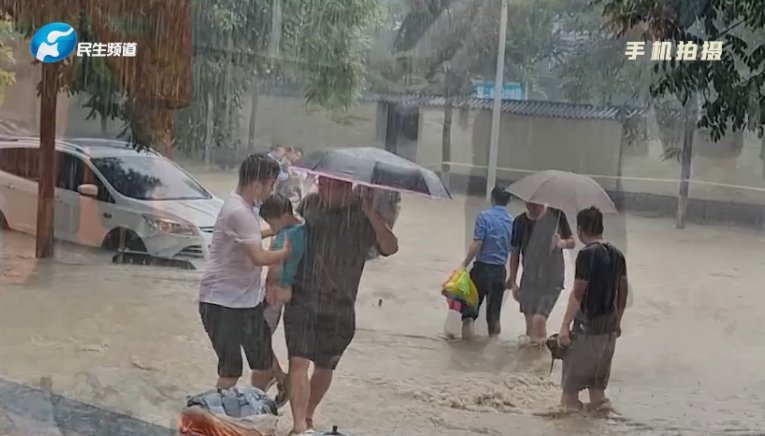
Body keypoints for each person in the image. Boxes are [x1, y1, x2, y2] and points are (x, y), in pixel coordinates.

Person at [284, 176, 398, 435]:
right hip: (303, 297)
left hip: (341, 304)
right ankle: (299, 425)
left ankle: (309, 414)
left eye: (328, 185)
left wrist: (371, 213)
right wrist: (278, 278)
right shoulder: (310, 204)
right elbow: (289, 235)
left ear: (346, 187)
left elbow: (390, 247)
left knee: (325, 366)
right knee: (298, 361)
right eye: (320, 182)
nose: (321, 188)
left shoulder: (362, 215)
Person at [198, 154, 291, 390]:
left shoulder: (244, 205)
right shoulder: (239, 211)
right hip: (221, 303)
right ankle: (218, 420)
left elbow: (246, 239)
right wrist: (285, 252)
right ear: (258, 184)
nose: (272, 191)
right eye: (271, 185)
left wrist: (271, 234)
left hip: (247, 302)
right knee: (231, 370)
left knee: (262, 361)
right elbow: (258, 257)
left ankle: (257, 404)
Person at [557, 206, 628, 411]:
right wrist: (618, 320)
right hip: (608, 331)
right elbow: (622, 293)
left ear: (580, 229)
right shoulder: (618, 255)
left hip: (585, 330)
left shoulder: (586, 254)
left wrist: (564, 326)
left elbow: (578, 293)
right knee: (597, 392)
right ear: (601, 227)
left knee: (570, 393)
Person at [257, 193, 307, 408]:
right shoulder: (304, 229)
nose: (270, 226)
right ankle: (276, 376)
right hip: (298, 293)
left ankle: (279, 377)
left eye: (271, 221)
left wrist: (268, 288)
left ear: (284, 215)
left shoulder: (281, 238)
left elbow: (274, 269)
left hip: (277, 293)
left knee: (257, 336)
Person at [507, 201, 575, 346]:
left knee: (539, 319)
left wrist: (561, 243)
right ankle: (531, 362)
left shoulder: (557, 216)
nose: (532, 208)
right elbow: (515, 253)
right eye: (529, 204)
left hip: (553, 278)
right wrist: (513, 282)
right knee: (530, 327)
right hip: (530, 278)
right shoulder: (519, 222)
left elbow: (572, 242)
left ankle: (541, 361)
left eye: (536, 205)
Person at [459, 186, 514, 339]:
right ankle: (492, 353)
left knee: (469, 314)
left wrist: (464, 264)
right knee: (494, 317)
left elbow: (477, 243)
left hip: (481, 269)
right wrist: (512, 277)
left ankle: (466, 351)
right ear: (509, 201)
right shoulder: (512, 221)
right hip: (499, 272)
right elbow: (514, 250)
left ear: (492, 198)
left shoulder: (484, 216)